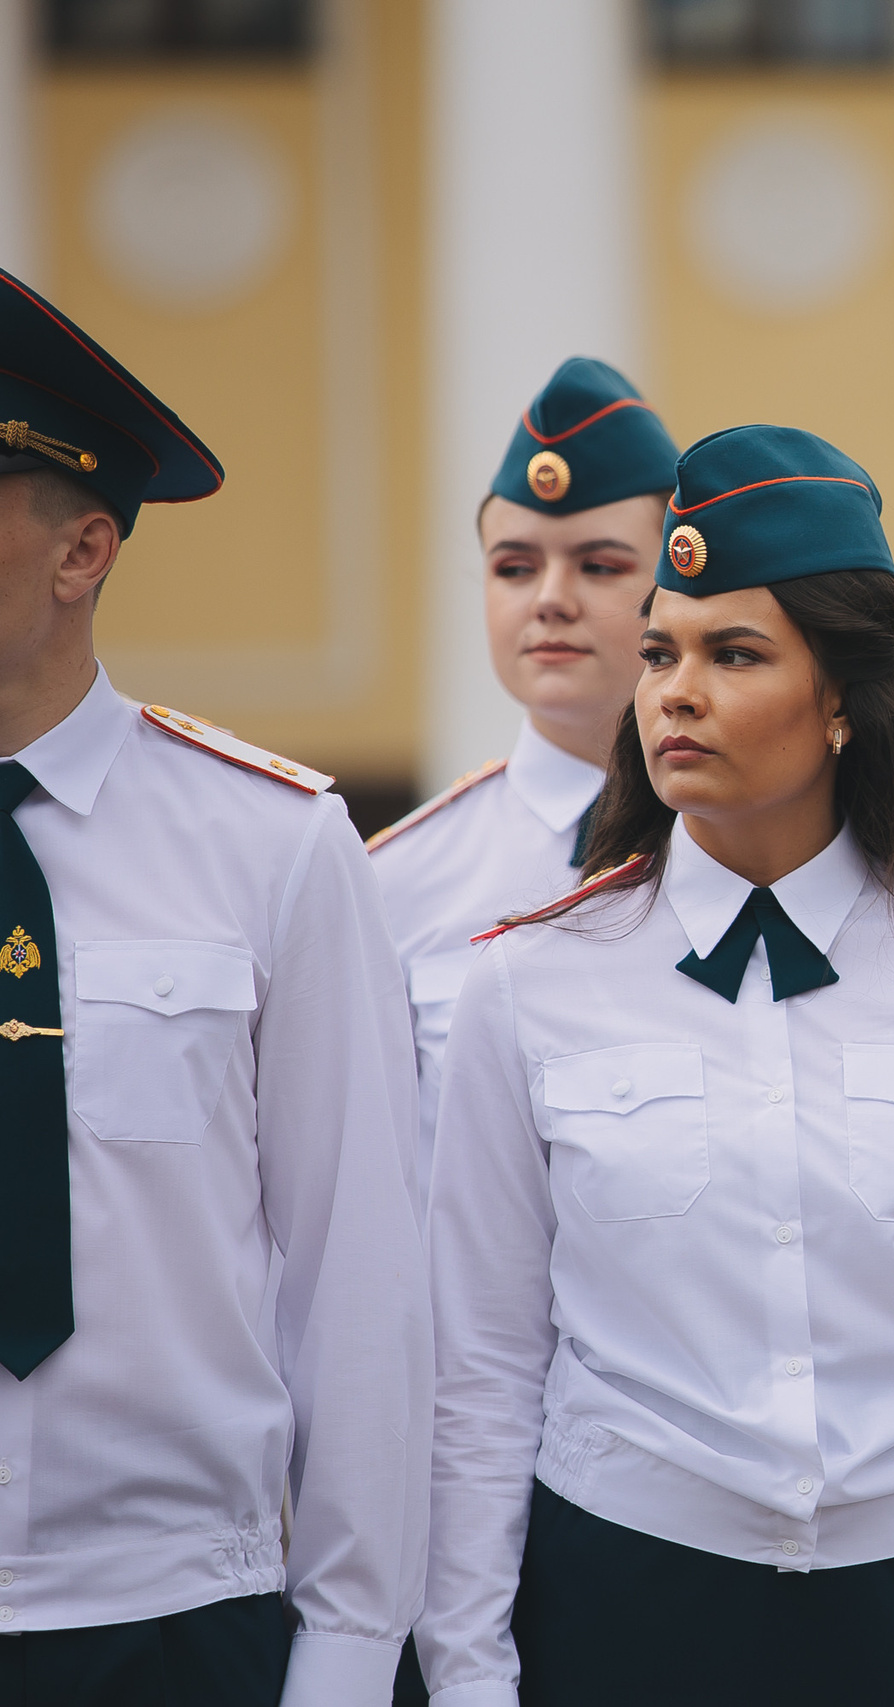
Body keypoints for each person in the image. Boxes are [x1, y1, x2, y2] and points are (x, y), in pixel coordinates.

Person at [415, 426, 894, 1705]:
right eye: (660, 654)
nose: (674, 693)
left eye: (733, 655)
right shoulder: (529, 982)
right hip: (626, 1596)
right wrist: (467, 1671)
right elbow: (480, 1370)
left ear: (845, 697)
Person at [0, 269, 429, 1704]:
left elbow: (355, 1264)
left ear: (83, 548)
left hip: (174, 1611)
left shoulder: (272, 843)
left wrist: (355, 1642)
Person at [370, 357, 679, 1205]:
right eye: (514, 566)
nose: (549, 599)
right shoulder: (396, 881)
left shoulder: (749, 848)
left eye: (601, 565)